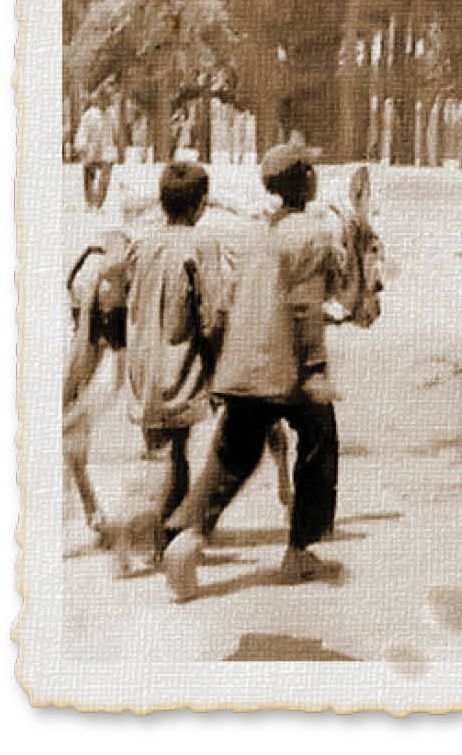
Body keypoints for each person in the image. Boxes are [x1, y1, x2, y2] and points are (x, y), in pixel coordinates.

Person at [164, 138, 345, 600]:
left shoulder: (258, 232)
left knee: (233, 455)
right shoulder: (312, 233)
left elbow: (230, 300)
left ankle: (187, 539)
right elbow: (305, 306)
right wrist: (314, 368)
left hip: (242, 365)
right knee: (320, 439)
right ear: (304, 180)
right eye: (311, 171)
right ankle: (300, 550)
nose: (316, 177)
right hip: (285, 367)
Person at [101, 161, 229, 569]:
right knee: (175, 455)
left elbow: (117, 296)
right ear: (201, 205)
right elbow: (212, 315)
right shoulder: (201, 245)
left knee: (161, 449)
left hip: (143, 366)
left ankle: (158, 535)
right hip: (180, 366)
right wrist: (218, 368)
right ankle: (161, 537)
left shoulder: (143, 243)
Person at [75, 91, 119, 211]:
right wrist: (82, 145)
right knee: (90, 176)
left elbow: (116, 132)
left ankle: (99, 203)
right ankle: (90, 201)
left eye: (107, 100)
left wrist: (116, 147)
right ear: (98, 100)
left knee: (105, 178)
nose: (105, 103)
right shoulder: (89, 114)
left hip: (106, 150)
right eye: (102, 100)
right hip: (91, 150)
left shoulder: (112, 114)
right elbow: (82, 130)